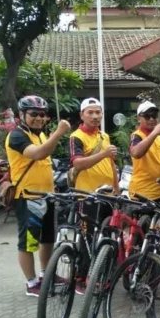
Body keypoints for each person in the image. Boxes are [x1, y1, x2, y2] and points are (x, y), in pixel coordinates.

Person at [4, 96, 70, 296]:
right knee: (28, 242)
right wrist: (59, 132)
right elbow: (39, 154)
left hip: (47, 196)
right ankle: (32, 283)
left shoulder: (40, 135)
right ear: (21, 115)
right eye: (33, 114)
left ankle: (46, 274)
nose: (39, 118)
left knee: (48, 239)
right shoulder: (17, 136)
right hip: (28, 197)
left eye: (42, 114)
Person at [69, 97, 119, 294]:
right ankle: (82, 278)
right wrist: (103, 154)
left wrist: (117, 190)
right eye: (90, 112)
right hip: (87, 195)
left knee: (107, 235)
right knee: (87, 238)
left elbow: (111, 164)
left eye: (98, 112)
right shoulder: (77, 136)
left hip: (108, 195)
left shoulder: (103, 136)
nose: (95, 116)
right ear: (82, 115)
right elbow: (78, 163)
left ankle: (102, 275)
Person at [129, 101, 160, 202]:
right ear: (139, 118)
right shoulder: (137, 135)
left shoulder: (158, 137)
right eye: (147, 116)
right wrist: (154, 133)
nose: (151, 119)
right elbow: (136, 153)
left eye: (154, 116)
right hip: (142, 193)